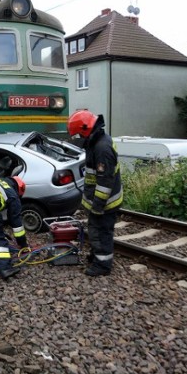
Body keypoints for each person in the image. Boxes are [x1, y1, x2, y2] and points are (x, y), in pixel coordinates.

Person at [67, 110, 123, 277]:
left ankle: (102, 265)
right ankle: (97, 255)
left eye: (78, 134)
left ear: (85, 130)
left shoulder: (102, 148)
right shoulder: (96, 141)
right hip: (100, 200)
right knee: (95, 231)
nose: (77, 138)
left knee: (101, 232)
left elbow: (105, 182)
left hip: (105, 202)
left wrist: (97, 207)